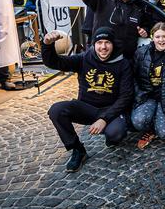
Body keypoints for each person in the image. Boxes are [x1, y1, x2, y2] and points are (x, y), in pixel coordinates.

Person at [44, 27, 133, 172]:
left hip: (110, 110)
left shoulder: (123, 64)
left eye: (107, 43)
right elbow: (55, 63)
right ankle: (78, 149)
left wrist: (104, 119)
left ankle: (110, 135)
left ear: (113, 44)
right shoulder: (84, 58)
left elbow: (125, 97)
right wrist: (47, 45)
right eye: (99, 43)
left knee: (115, 134)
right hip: (86, 107)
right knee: (56, 110)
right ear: (93, 44)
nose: (103, 47)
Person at [131, 23, 165, 149]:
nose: (161, 40)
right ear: (152, 38)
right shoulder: (141, 53)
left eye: (164, 36)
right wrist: (139, 95)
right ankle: (149, 126)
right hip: (147, 96)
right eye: (157, 36)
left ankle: (157, 122)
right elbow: (133, 77)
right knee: (138, 121)